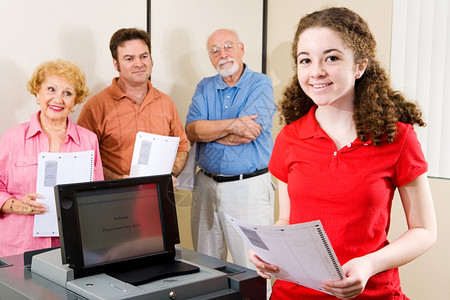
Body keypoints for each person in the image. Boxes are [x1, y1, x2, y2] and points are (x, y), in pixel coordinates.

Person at [248, 7, 437, 299]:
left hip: (373, 293)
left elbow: (424, 230)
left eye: (331, 58)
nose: (316, 72)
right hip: (293, 293)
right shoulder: (290, 137)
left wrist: (369, 264)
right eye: (305, 60)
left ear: (359, 67)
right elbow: (287, 220)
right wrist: (270, 250)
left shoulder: (397, 137)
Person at [185, 28, 276, 268]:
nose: (222, 54)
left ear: (241, 49)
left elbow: (249, 132)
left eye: (228, 46)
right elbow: (192, 131)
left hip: (248, 187)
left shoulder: (261, 84)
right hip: (206, 185)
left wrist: (210, 132)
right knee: (206, 266)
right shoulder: (205, 87)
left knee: (254, 268)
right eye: (214, 51)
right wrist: (232, 125)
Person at [0, 59, 104, 257]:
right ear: (37, 92)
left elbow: (96, 196)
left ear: (75, 101)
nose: (58, 99)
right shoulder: (12, 137)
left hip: (70, 247)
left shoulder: (88, 141)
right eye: (51, 89)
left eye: (67, 93)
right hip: (17, 248)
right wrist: (17, 205)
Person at [78, 28, 188, 180]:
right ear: (116, 64)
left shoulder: (166, 102)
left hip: (159, 195)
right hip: (113, 197)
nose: (139, 64)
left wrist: (170, 174)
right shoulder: (96, 106)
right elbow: (84, 159)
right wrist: (119, 180)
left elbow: (182, 147)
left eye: (144, 56)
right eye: (129, 59)